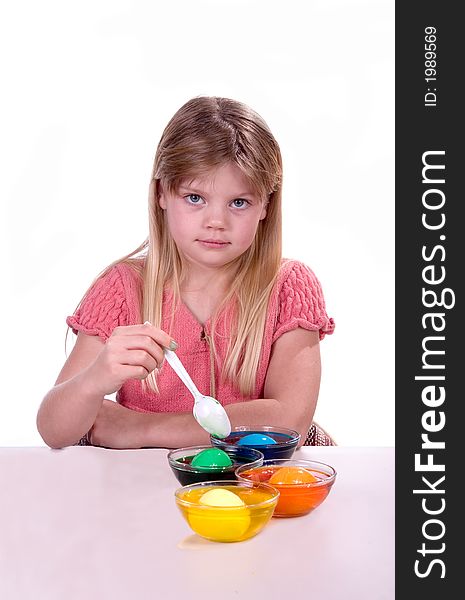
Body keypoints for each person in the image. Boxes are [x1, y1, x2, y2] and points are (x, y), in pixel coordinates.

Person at [36, 96, 335, 450]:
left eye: (238, 202)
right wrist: (94, 380)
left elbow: (287, 423)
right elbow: (53, 430)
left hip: (261, 486)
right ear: (162, 192)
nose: (216, 222)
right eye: (195, 197)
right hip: (144, 486)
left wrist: (139, 429)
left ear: (266, 205)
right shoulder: (123, 288)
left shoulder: (289, 287)